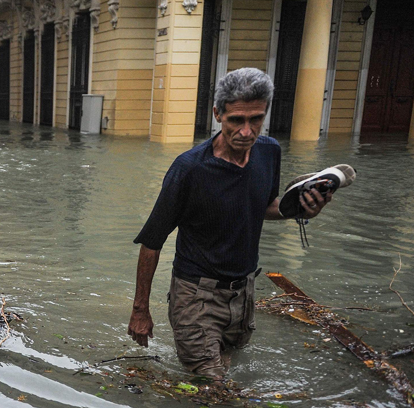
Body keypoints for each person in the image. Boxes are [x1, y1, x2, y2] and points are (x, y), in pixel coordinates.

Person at [126, 67, 333, 382]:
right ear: (217, 114)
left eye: (256, 120)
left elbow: (264, 206)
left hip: (244, 294)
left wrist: (302, 210)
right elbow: (152, 241)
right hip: (196, 296)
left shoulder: (269, 152)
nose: (247, 132)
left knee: (229, 369)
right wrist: (140, 310)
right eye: (237, 120)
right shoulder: (189, 169)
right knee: (214, 387)